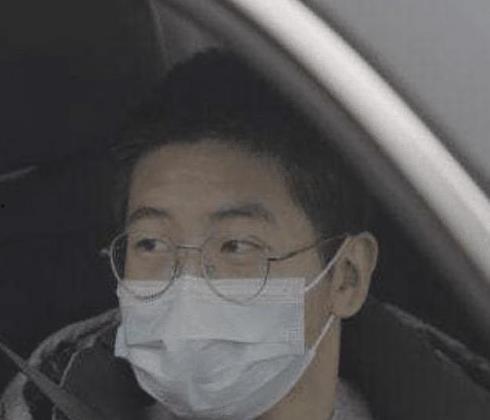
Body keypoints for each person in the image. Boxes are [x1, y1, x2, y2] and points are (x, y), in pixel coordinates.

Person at [2, 49, 490, 420]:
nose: (184, 286)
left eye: (236, 246)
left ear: (345, 277)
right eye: (150, 243)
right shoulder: (50, 401)